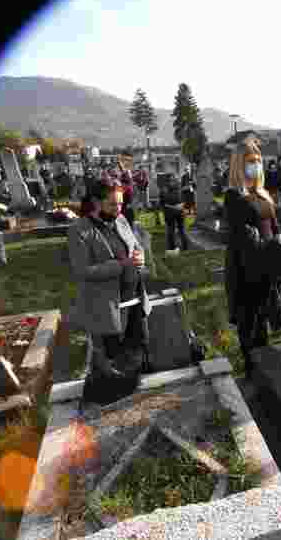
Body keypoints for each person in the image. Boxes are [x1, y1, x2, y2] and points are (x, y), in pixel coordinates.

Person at [67, 178, 155, 406]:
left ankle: (132, 394)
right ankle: (111, 403)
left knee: (136, 350)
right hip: (107, 307)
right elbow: (82, 270)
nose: (118, 209)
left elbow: (135, 247)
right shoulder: (80, 230)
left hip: (134, 299)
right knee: (112, 358)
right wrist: (122, 265)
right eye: (112, 204)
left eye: (120, 203)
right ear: (96, 202)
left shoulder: (122, 220)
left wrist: (141, 257)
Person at [224, 135, 281, 369]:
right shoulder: (234, 197)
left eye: (258, 161)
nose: (256, 165)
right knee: (251, 334)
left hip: (267, 269)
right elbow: (245, 239)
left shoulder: (263, 194)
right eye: (251, 161)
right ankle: (254, 382)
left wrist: (279, 246)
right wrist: (273, 249)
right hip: (247, 273)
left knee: (264, 333)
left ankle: (266, 380)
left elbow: (274, 226)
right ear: (240, 165)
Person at [160, 173, 190, 252]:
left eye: (172, 180)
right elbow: (184, 200)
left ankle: (175, 247)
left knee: (174, 231)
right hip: (176, 211)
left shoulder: (166, 189)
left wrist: (179, 205)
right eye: (171, 180)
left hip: (173, 213)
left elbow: (163, 204)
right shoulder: (178, 188)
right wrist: (179, 206)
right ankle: (180, 247)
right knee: (178, 230)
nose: (172, 182)